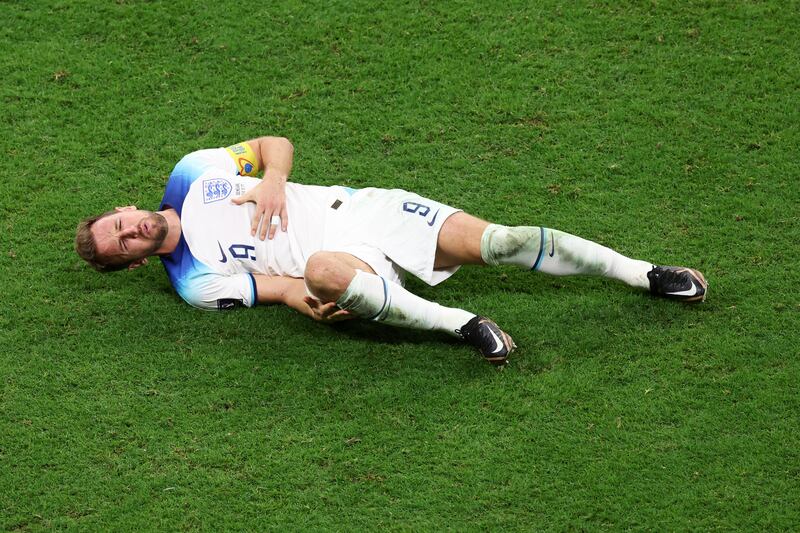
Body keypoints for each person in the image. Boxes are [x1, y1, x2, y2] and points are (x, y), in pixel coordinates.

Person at [75, 136, 708, 366]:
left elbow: (275, 143)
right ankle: (467, 328)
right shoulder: (193, 282)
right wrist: (312, 300)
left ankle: (646, 274)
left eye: (121, 223)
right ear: (132, 262)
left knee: (503, 242)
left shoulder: (193, 173)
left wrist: (269, 182)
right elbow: (281, 288)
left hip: (365, 209)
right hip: (344, 263)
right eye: (123, 246)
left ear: (126, 207)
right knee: (320, 271)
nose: (131, 232)